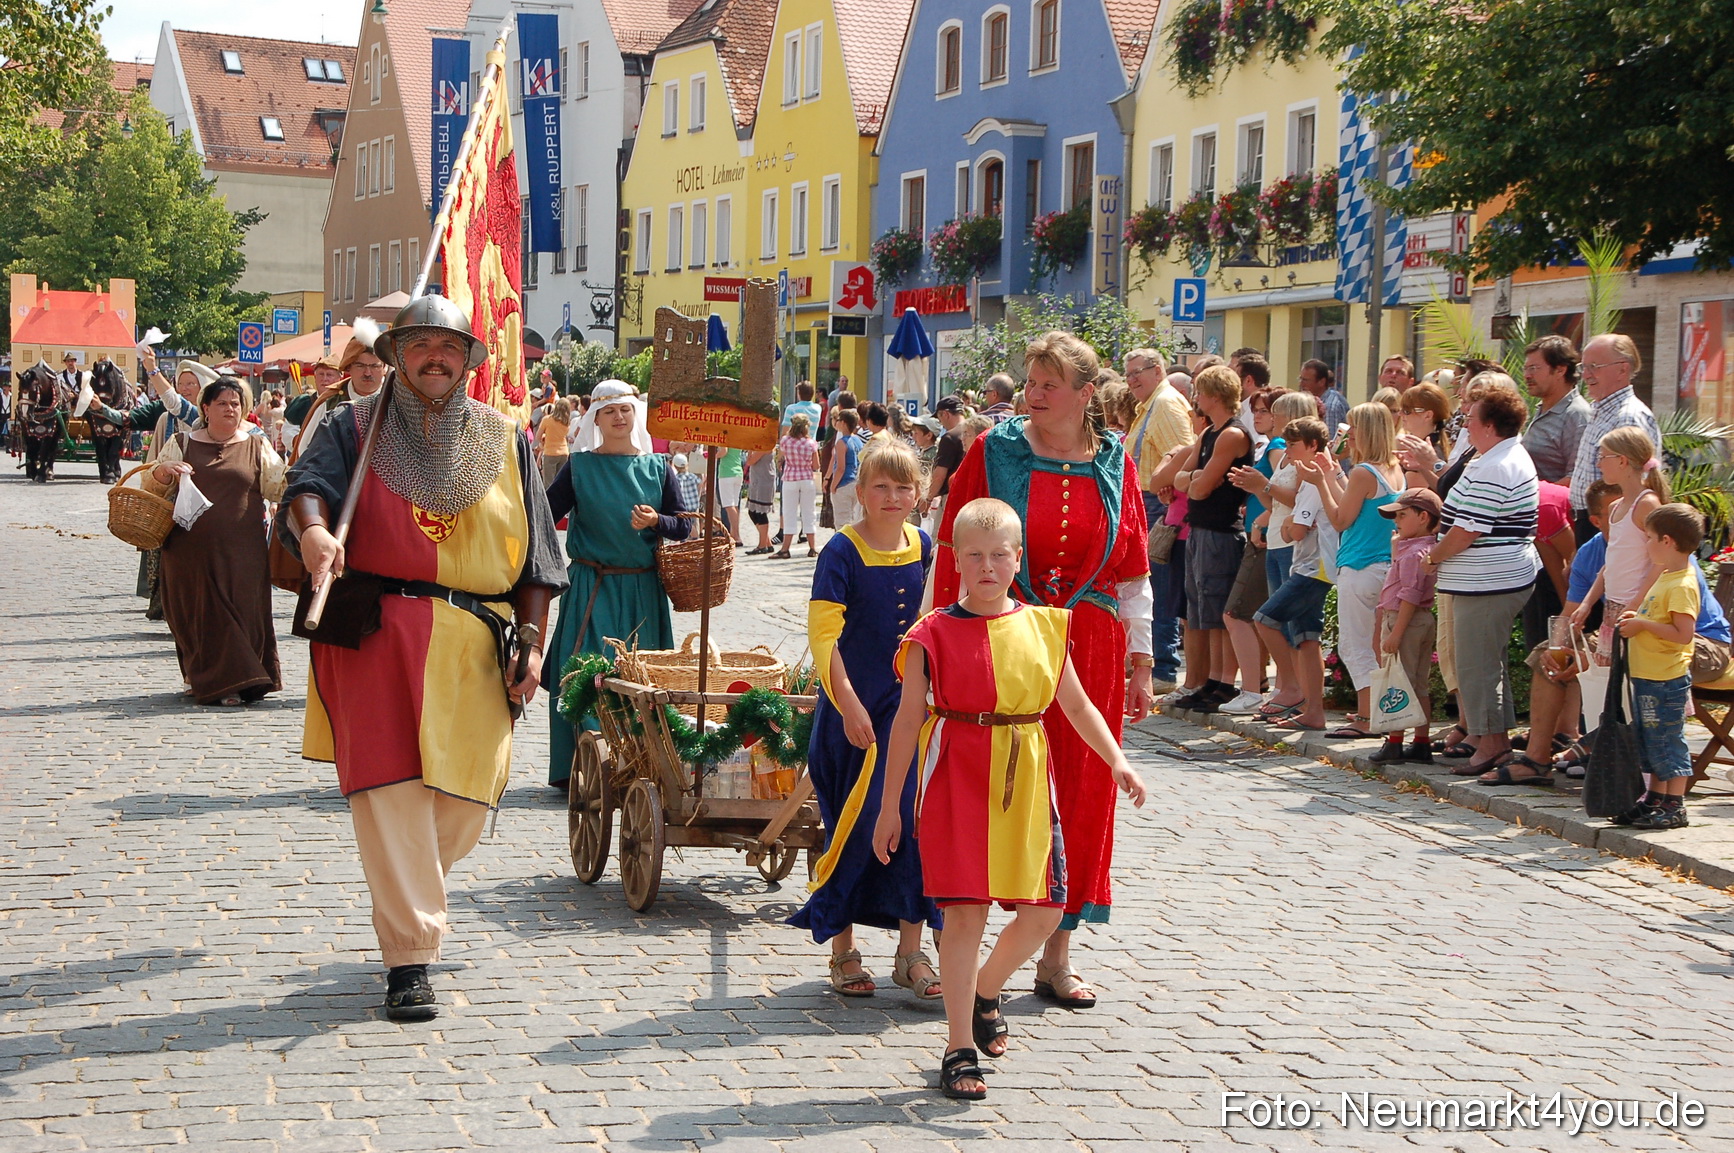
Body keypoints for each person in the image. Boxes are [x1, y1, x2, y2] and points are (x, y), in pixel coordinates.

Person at [282, 295, 567, 1021]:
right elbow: (306, 490)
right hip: (375, 636)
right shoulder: (353, 424)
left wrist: (532, 642)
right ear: (400, 353)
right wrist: (315, 535)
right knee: (392, 797)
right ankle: (409, 958)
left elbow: (538, 559)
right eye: (421, 346)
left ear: (469, 359)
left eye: (450, 347)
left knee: (465, 802)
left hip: (476, 640)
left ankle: (410, 893)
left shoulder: (506, 439)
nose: (435, 358)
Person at [873, 497, 1147, 1100]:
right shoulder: (931, 634)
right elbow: (907, 721)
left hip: (1025, 778)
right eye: (974, 555)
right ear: (957, 562)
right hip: (956, 777)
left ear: (1017, 557)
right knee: (965, 915)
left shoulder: (1046, 627)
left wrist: (1118, 761)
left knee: (1047, 908)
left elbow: (1075, 705)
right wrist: (890, 804)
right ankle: (958, 1046)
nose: (988, 566)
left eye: (1000, 555)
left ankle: (986, 991)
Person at [934, 330, 1153, 1008]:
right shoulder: (991, 451)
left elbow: (1134, 568)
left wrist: (1141, 659)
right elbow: (951, 545)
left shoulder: (1115, 461)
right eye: (1029, 381)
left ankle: (1055, 955)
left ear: (1086, 394)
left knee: (1082, 796)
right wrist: (942, 640)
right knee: (986, 784)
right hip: (1002, 633)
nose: (1031, 395)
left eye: (1047, 384)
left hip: (1087, 641)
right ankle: (963, 946)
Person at [790, 440, 941, 999]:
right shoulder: (841, 552)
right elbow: (825, 637)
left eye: (904, 488)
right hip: (854, 714)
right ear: (861, 490)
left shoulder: (922, 545)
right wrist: (850, 705)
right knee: (854, 825)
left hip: (909, 714)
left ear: (918, 494)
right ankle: (844, 951)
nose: (893, 497)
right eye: (881, 486)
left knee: (915, 824)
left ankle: (910, 951)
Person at [542, 381, 692, 788]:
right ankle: (582, 768)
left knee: (641, 682)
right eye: (610, 412)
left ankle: (639, 765)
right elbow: (542, 514)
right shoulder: (580, 466)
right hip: (592, 587)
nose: (619, 418)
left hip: (643, 591)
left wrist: (656, 521)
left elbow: (684, 526)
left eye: (625, 410)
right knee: (587, 675)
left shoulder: (658, 467)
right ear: (597, 419)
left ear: (635, 415)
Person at [1422, 380, 1540, 778]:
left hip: (1490, 580)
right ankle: (1495, 740)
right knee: (1486, 663)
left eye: (1469, 418)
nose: (1463, 424)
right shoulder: (1491, 457)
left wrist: (1433, 557)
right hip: (1482, 578)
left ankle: (1490, 744)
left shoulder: (1498, 464)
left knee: (1478, 665)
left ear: (1489, 425)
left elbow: (1468, 528)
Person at [145, 376, 286, 704]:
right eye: (222, 403)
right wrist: (164, 471)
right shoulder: (182, 443)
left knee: (240, 613)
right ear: (206, 409)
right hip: (188, 553)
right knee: (200, 616)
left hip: (243, 552)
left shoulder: (256, 445)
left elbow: (279, 485)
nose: (230, 409)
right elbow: (152, 488)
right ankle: (206, 679)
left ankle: (240, 680)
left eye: (236, 404)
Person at [1302, 403, 1404, 737]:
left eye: (1353, 428)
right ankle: (1375, 711)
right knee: (1374, 645)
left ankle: (1367, 717)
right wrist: (1333, 474)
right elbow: (1354, 503)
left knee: (1354, 645)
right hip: (1383, 565)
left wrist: (1319, 483)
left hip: (1359, 565)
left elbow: (1340, 519)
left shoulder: (1364, 472)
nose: (1349, 434)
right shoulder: (1393, 469)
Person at [1610, 504, 1704, 829]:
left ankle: (1675, 805)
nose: (1645, 544)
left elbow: (1683, 634)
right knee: (1649, 740)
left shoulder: (1681, 585)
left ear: (1667, 541)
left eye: (1649, 538)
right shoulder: (1667, 576)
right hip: (1648, 675)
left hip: (1666, 679)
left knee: (1667, 739)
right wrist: (1636, 621)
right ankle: (1654, 799)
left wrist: (1643, 626)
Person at [1228, 389, 1314, 716]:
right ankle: (1288, 688)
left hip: (1292, 545)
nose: (1272, 418)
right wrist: (1259, 491)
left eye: (1277, 413)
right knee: (1280, 623)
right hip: (1276, 542)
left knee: (1285, 622)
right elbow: (1276, 501)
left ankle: (1296, 690)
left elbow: (1298, 500)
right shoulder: (1287, 455)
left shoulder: (1294, 455)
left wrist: (1262, 484)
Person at [1171, 366, 1252, 712]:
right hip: (1199, 529)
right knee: (1201, 608)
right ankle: (1211, 680)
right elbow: (1179, 480)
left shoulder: (1232, 435)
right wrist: (1197, 477)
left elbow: (1200, 490)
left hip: (1221, 531)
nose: (1196, 399)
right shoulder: (1208, 435)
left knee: (1219, 608)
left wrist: (1197, 480)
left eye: (1200, 393)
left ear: (1215, 396)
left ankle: (1224, 681)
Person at [1254, 418, 1339, 732]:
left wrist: (1289, 524)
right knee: (1307, 640)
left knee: (1265, 619)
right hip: (1308, 565)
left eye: (1292, 446)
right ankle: (1313, 711)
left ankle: (1290, 686)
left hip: (1313, 569)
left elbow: (1295, 531)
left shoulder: (1316, 480)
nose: (1287, 453)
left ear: (1312, 446)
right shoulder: (1312, 479)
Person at [1124, 348, 1192, 693]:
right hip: (1149, 502)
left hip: (1159, 505)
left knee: (1160, 586)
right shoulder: (1151, 404)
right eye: (1128, 374)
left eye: (1138, 372)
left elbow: (1184, 451)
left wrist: (1168, 488)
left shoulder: (1165, 403)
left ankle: (1164, 666)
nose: (1132, 379)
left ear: (1158, 370)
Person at [1572, 428, 1668, 665]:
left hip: (1638, 612)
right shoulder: (1616, 508)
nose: (1599, 463)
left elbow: (1662, 562)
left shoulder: (1646, 505)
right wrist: (1587, 603)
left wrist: (1634, 606)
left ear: (1622, 461)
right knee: (1613, 686)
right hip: (1614, 610)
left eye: (1603, 457)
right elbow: (1611, 563)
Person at [1369, 488, 1441, 763]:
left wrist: (1396, 633)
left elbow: (1409, 593)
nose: (1396, 521)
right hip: (1419, 619)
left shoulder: (1414, 554)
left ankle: (1395, 742)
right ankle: (1421, 741)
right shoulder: (1421, 549)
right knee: (1418, 682)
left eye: (1402, 515)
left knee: (1397, 681)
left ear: (1423, 517)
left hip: (1404, 619)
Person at [1568, 333, 1660, 541]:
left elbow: (1628, 483)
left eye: (1594, 366)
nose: (1586, 375)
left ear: (1622, 369)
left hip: (1610, 527)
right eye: (1584, 367)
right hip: (1594, 523)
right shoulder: (1602, 410)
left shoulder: (1628, 416)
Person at [292, 322, 388, 462]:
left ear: (384, 368)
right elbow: (306, 450)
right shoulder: (330, 402)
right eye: (360, 366)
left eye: (374, 366)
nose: (368, 373)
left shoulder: (397, 400)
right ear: (349, 367)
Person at [1521, 335, 1590, 486]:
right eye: (1525, 368)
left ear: (1560, 370)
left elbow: (1577, 478)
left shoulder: (1576, 415)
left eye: (1533, 368)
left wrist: (1537, 496)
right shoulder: (1543, 408)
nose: (1526, 376)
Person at [776, 414, 820, 559]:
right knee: (809, 512)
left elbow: (780, 458)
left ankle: (785, 548)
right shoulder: (811, 443)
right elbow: (816, 465)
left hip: (790, 478)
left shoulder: (785, 441)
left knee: (789, 513)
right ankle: (812, 547)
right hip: (806, 478)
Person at [920, 395, 968, 526]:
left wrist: (928, 498)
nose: (940, 423)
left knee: (941, 540)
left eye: (939, 417)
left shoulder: (949, 437)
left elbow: (939, 475)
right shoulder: (976, 431)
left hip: (951, 497)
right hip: (972, 495)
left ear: (946, 414)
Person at [1398, 382, 1451, 484]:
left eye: (1407, 411)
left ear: (1427, 415)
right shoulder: (1435, 445)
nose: (1400, 414)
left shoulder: (1428, 453)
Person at [825, 409, 865, 529]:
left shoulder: (841, 443)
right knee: (854, 519)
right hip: (856, 482)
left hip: (843, 483)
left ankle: (844, 546)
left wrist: (833, 485)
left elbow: (841, 467)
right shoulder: (858, 440)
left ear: (843, 423)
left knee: (842, 521)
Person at [1298, 358, 1348, 434]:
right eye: (1300, 379)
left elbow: (1329, 440)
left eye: (1305, 380)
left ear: (1322, 382)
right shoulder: (1328, 397)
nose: (1301, 384)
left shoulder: (1329, 407)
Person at [743, 447, 776, 554]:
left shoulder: (765, 446)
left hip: (763, 482)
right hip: (758, 480)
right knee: (752, 512)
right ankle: (767, 543)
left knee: (760, 513)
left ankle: (762, 545)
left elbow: (750, 461)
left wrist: (750, 450)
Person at [535, 397, 572, 487]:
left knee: (548, 483)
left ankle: (549, 501)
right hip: (564, 452)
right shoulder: (567, 422)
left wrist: (543, 440)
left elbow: (537, 436)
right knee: (560, 482)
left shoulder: (547, 420)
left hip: (550, 453)